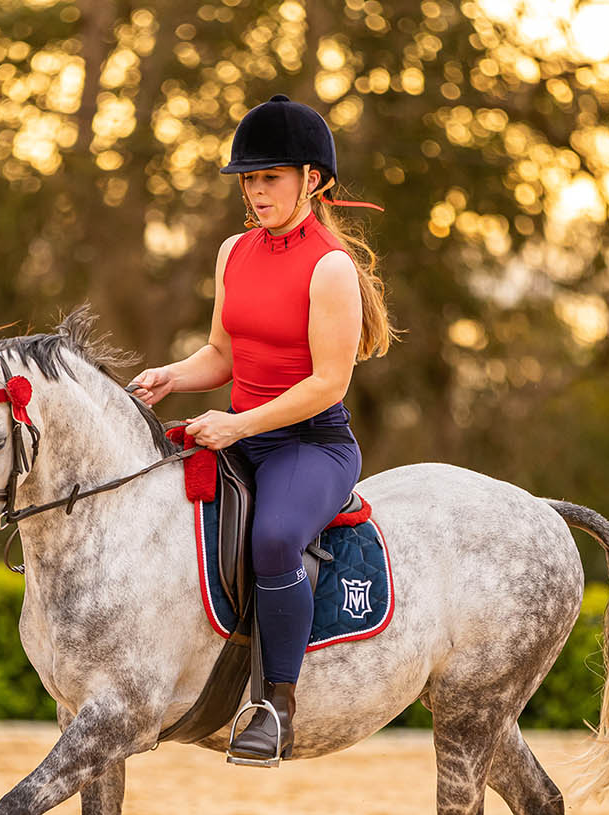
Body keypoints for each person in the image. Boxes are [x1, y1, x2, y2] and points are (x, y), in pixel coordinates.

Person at [129, 94, 395, 764]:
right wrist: (171, 375)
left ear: (312, 179)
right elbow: (221, 354)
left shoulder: (331, 267)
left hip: (310, 445)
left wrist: (236, 421)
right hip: (239, 430)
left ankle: (277, 704)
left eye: (269, 177)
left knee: (274, 540)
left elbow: (327, 384)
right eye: (249, 179)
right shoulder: (232, 252)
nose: (255, 191)